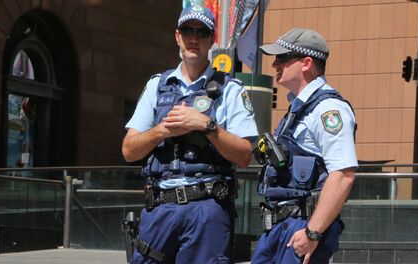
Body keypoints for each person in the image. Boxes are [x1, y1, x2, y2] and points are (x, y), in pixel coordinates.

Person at [121, 4, 258, 264]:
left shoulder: (230, 89)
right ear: (177, 36)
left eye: (202, 32)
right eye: (187, 30)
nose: (193, 38)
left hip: (207, 208)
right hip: (160, 207)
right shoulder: (157, 86)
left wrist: (207, 126)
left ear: (212, 39)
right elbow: (129, 150)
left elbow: (244, 156)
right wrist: (163, 129)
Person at [251, 28, 357, 264]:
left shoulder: (329, 109)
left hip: (301, 227)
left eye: (283, 58)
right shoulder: (298, 108)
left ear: (307, 63)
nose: (275, 64)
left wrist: (313, 232)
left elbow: (343, 175)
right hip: (281, 228)